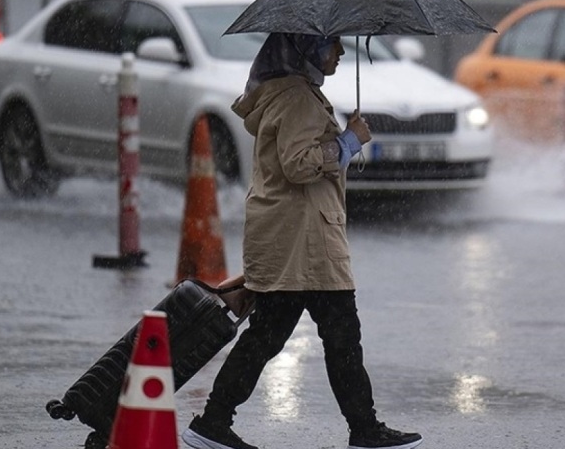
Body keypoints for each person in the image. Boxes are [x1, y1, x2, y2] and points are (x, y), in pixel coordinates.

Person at [181, 33, 423, 449]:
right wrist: (349, 140)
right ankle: (362, 429)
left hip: (295, 236)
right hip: (304, 241)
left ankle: (214, 422)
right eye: (333, 45)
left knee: (275, 336)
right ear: (305, 49)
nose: (341, 53)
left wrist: (344, 142)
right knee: (337, 335)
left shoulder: (292, 93)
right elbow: (299, 165)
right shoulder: (296, 98)